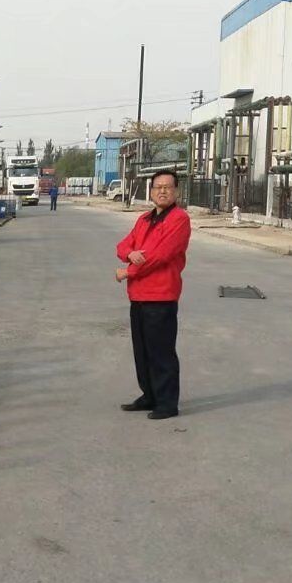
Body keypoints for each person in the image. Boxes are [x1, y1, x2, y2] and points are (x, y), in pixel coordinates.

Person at [115, 169, 191, 421]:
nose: (162, 191)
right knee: (143, 352)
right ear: (151, 191)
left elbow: (161, 256)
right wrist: (129, 254)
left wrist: (128, 271)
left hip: (161, 296)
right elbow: (123, 245)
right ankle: (149, 395)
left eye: (168, 187)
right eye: (158, 187)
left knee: (161, 352)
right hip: (138, 296)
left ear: (176, 191)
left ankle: (167, 403)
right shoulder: (145, 219)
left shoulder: (179, 219)